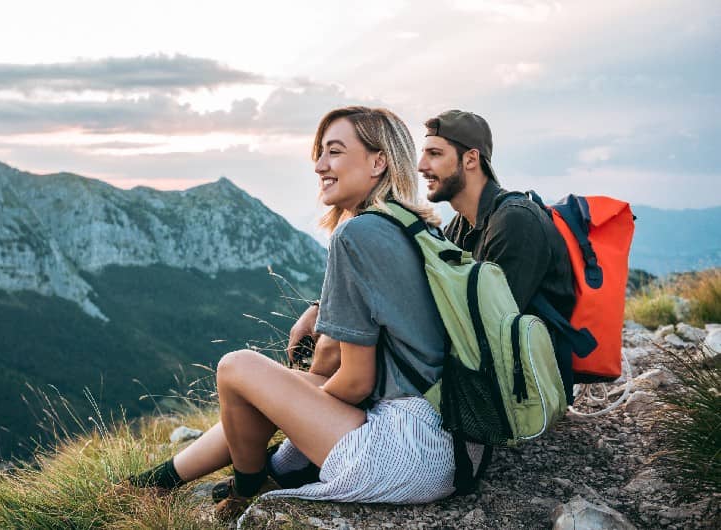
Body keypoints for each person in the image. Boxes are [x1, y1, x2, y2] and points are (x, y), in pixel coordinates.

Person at [127, 106, 456, 521]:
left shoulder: (357, 233)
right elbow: (353, 348)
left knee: (236, 368)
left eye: (334, 152)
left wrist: (289, 421)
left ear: (378, 160)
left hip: (406, 452)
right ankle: (159, 481)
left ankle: (250, 488)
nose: (320, 166)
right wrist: (312, 338)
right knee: (285, 386)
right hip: (448, 442)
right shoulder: (416, 227)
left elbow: (356, 382)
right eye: (320, 154)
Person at [418, 109, 575, 320]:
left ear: (471, 159)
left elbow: (492, 324)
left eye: (434, 154)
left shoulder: (516, 222)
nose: (421, 166)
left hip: (537, 353)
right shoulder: (460, 226)